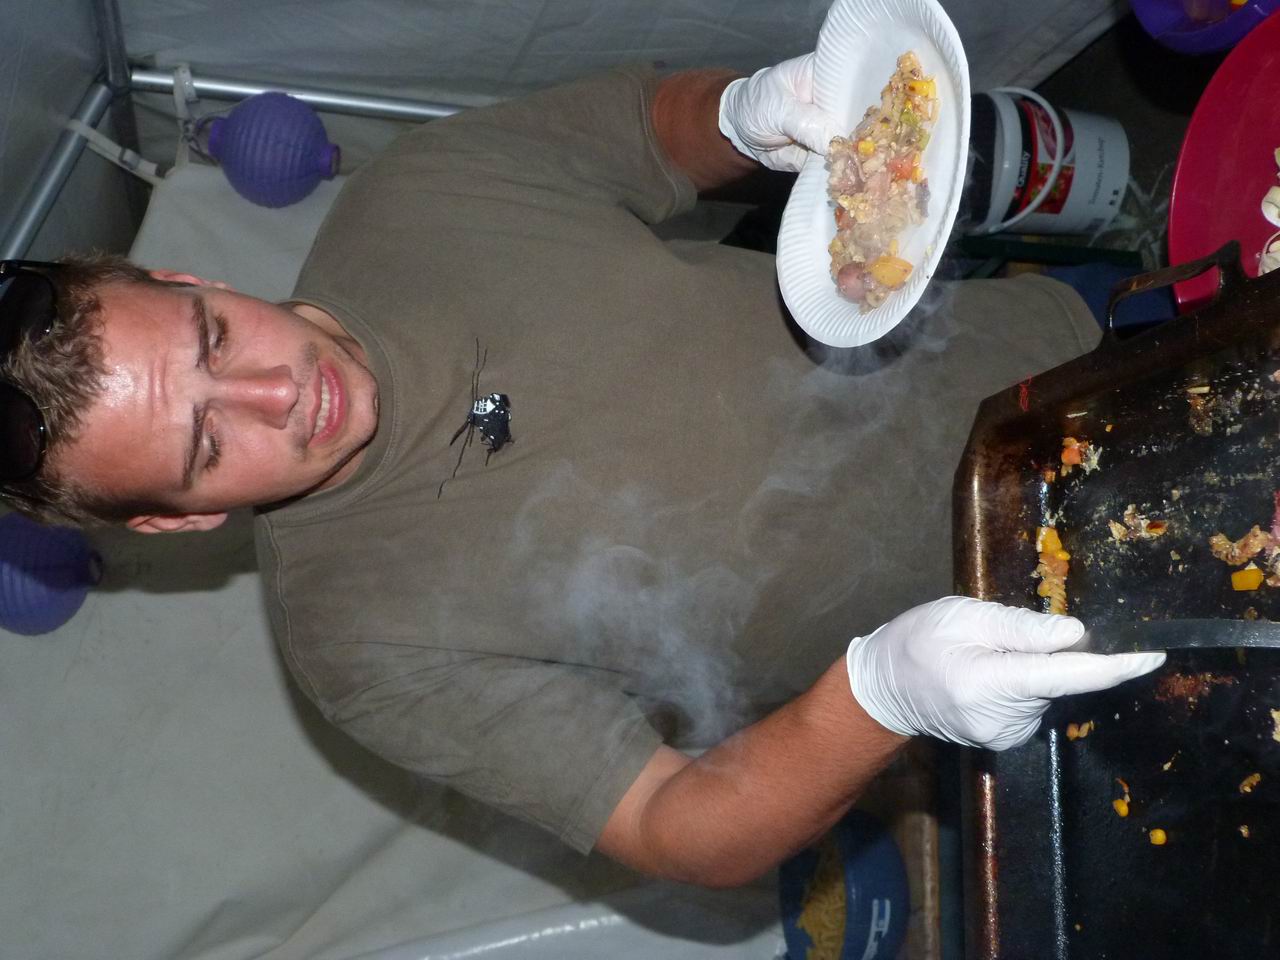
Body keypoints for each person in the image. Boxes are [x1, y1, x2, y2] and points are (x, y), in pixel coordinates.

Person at [0, 51, 1163, 887]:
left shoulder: (417, 199)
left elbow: (650, 129)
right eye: (208, 445)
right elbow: (673, 827)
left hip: (1079, 347)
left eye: (214, 343)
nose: (276, 395)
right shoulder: (358, 644)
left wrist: (747, 113)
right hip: (1034, 625)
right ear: (176, 523)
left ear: (193, 282)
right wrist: (883, 694)